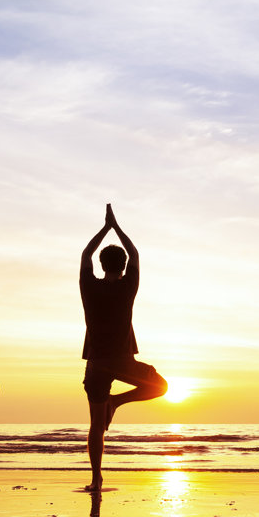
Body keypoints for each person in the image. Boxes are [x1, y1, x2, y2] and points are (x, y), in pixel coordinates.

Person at [80, 203, 167, 492]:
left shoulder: (89, 286)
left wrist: (104, 229)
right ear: (122, 266)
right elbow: (136, 255)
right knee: (161, 387)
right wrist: (116, 227)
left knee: (95, 426)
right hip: (121, 361)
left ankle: (96, 479)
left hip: (96, 364)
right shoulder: (127, 286)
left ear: (103, 265)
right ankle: (117, 402)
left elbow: (85, 255)